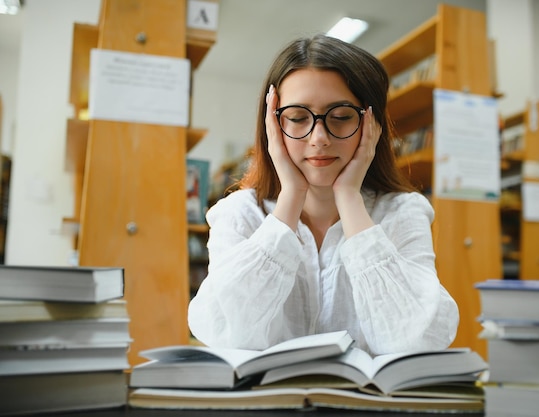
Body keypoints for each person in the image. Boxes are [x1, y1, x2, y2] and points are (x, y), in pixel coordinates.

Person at [188, 34, 459, 355]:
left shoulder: (403, 211)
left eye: (341, 117)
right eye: (298, 118)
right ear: (272, 126)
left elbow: (420, 341)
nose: (319, 138)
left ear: (371, 124)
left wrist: (349, 197)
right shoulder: (239, 214)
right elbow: (226, 334)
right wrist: (291, 197)